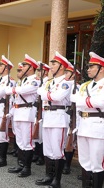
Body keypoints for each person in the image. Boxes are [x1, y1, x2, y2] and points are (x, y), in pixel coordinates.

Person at [36, 52, 73, 188]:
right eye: (51, 64)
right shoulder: (49, 82)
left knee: (58, 150)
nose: (51, 67)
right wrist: (47, 94)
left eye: (54, 64)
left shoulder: (67, 83)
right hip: (48, 117)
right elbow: (41, 93)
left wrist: (45, 94)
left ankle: (57, 180)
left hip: (59, 118)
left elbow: (57, 96)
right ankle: (48, 176)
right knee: (48, 149)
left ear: (62, 67)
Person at [73, 52, 104, 188]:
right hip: (84, 126)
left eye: (92, 66)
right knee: (85, 161)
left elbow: (101, 102)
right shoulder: (85, 85)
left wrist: (81, 100)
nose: (88, 69)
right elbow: (78, 106)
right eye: (88, 66)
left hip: (98, 127)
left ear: (101, 68)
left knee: (97, 163)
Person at [6, 54, 39, 178]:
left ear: (30, 68)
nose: (22, 67)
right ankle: (20, 164)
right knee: (19, 141)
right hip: (18, 112)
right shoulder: (23, 81)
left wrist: (13, 89)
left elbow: (22, 91)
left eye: (24, 65)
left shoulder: (35, 81)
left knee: (27, 142)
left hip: (27, 114)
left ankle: (27, 167)